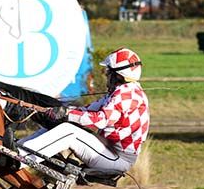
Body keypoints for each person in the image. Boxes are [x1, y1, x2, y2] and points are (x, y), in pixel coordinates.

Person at [19, 47, 150, 175]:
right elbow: (88, 110)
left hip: (118, 158)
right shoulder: (121, 91)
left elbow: (100, 120)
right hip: (108, 150)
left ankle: (21, 158)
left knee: (69, 132)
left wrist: (66, 114)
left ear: (118, 76)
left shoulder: (126, 93)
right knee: (59, 124)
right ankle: (19, 147)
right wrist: (62, 111)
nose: (106, 75)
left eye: (108, 72)